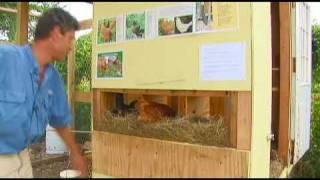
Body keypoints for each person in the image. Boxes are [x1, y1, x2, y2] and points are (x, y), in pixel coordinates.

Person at [0, 8, 87, 177]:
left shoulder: (53, 79)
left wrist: (76, 154)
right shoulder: (7, 58)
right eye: (70, 39)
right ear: (55, 34)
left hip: (23, 155)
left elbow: (60, 121)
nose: (71, 46)